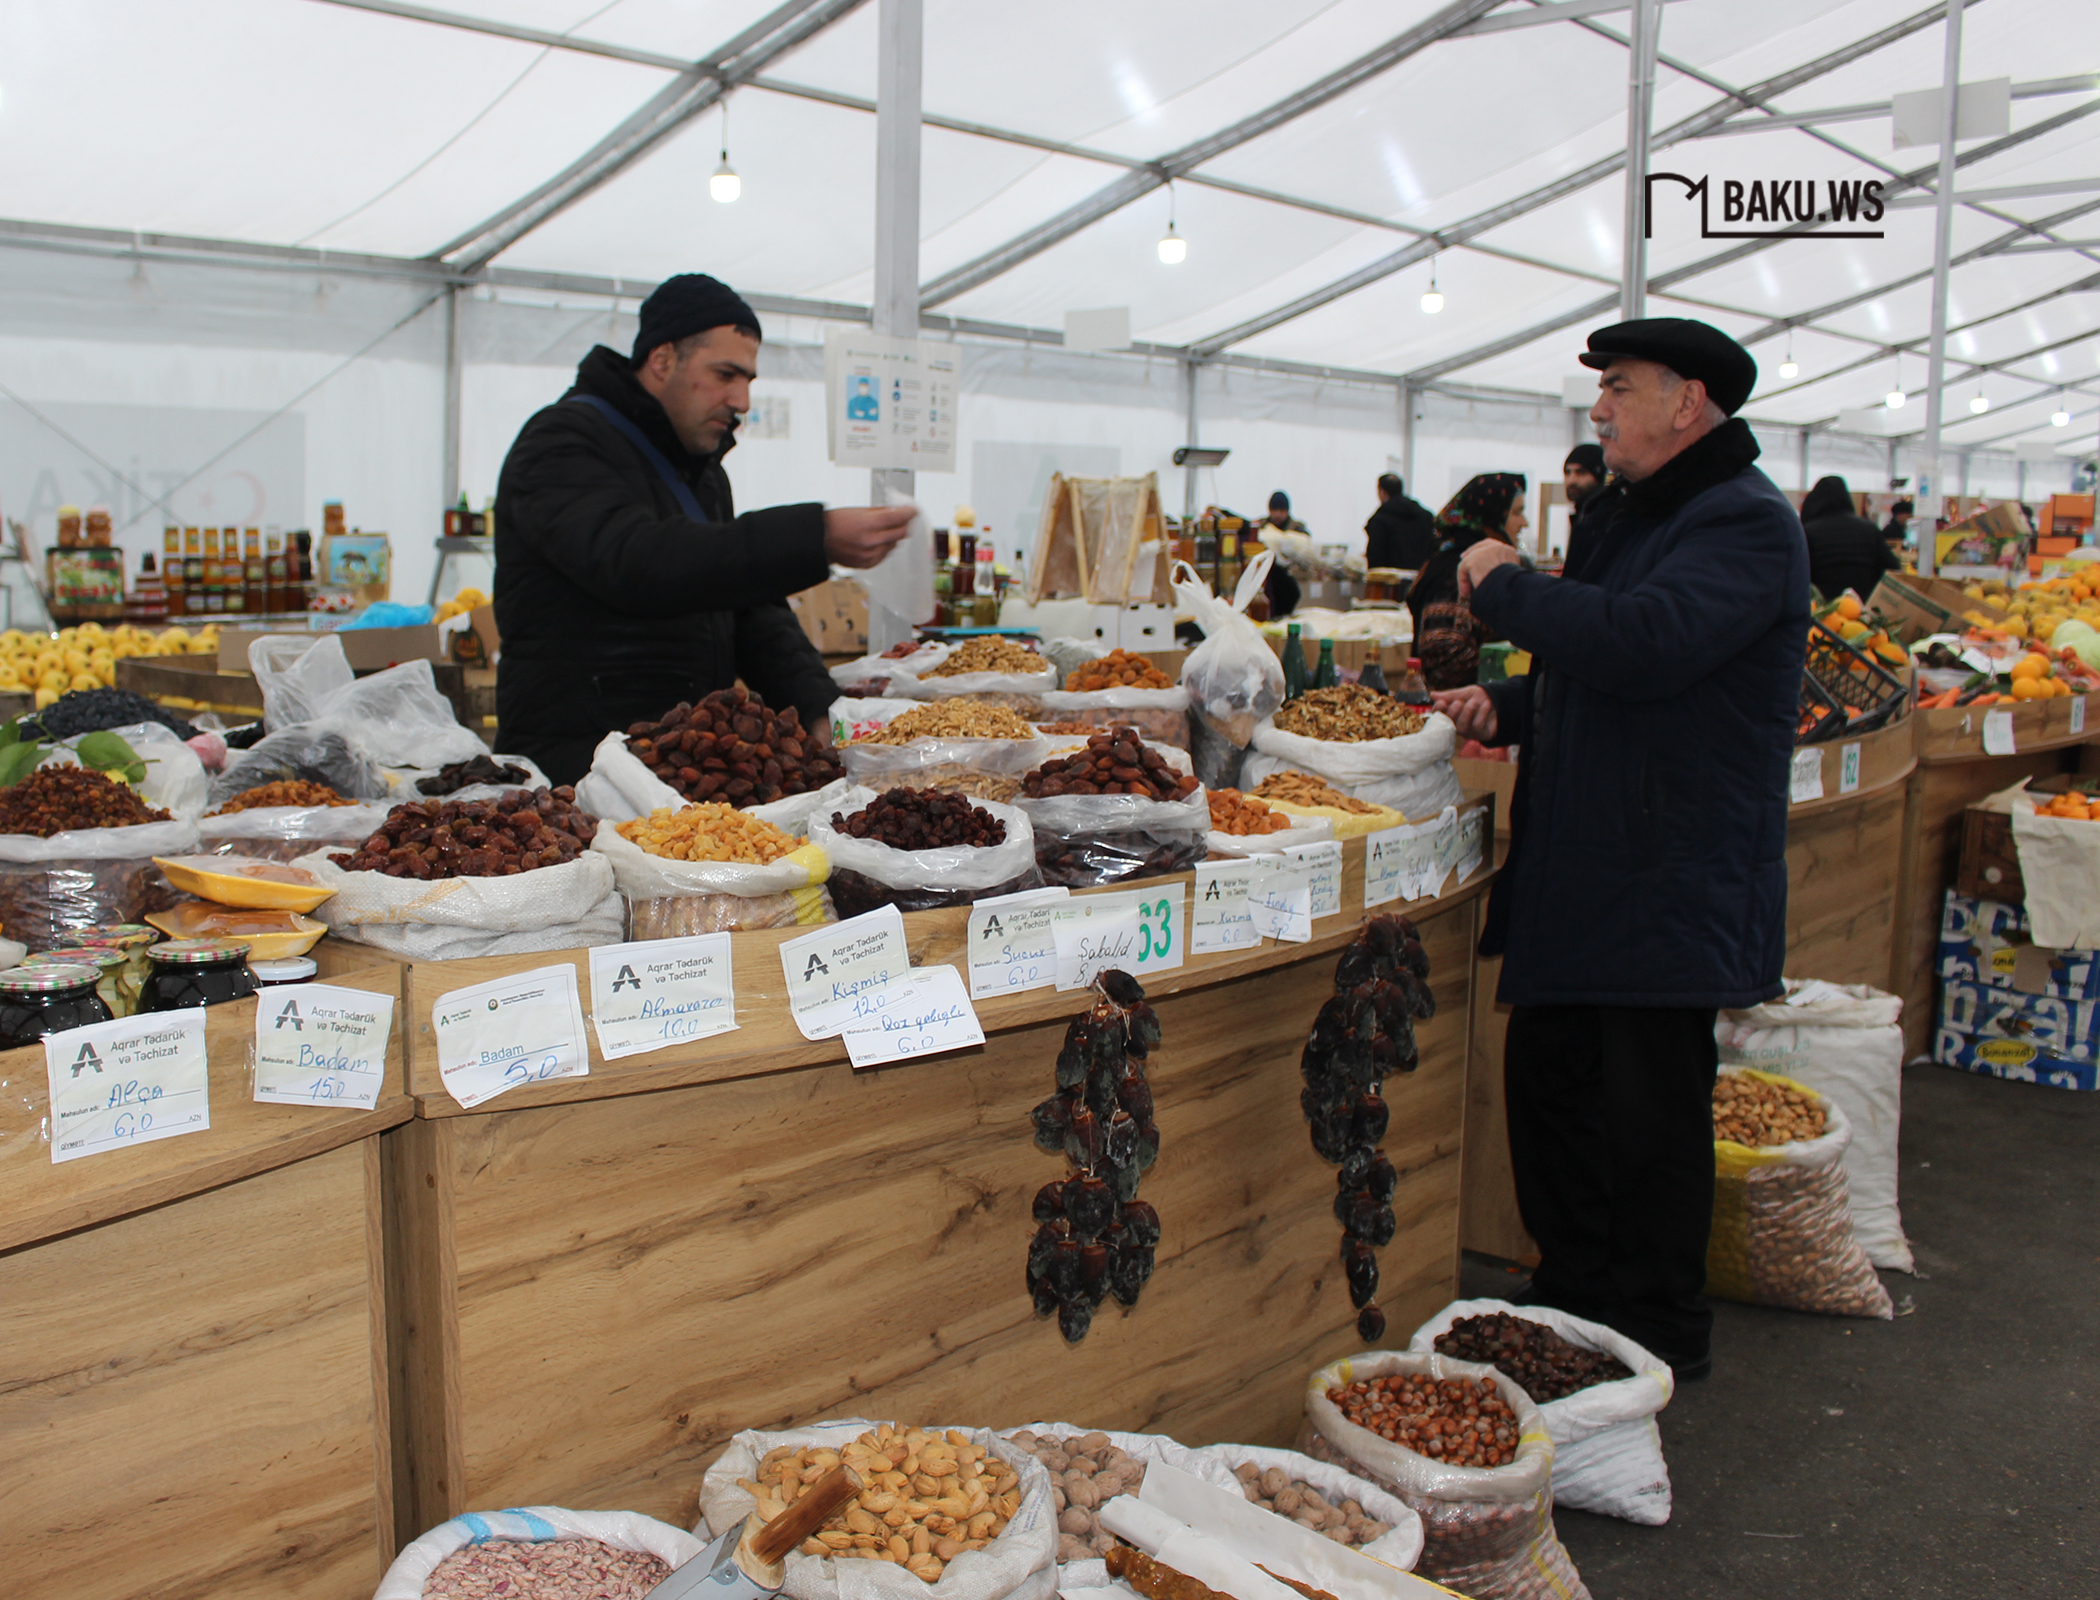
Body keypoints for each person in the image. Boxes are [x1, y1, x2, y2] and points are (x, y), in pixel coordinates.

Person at [1432, 317, 1808, 1381]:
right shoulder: (1637, 514)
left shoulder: (1743, 523)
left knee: (1647, 1110)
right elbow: (1601, 661)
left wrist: (1505, 584)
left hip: (1670, 869)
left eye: (1620, 388)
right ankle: (1575, 1294)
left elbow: (1646, 647)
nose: (1598, 408)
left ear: (1688, 402)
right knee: (1553, 1081)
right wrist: (1510, 706)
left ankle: (1655, 1324)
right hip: (1590, 858)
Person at [493, 274, 915, 784]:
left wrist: (818, 707)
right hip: (577, 767)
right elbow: (640, 562)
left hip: (674, 765)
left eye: (749, 381)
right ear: (662, 359)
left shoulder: (704, 475)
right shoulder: (561, 444)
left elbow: (749, 607)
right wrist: (814, 535)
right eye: (725, 374)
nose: (741, 401)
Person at [1404, 473, 1527, 689]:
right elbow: (1442, 656)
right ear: (1492, 516)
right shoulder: (1461, 570)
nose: (1524, 523)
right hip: (1457, 710)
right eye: (1517, 512)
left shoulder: (1462, 559)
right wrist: (1504, 670)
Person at [1800, 474, 1898, 603]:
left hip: (1823, 610)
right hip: (1861, 609)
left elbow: (1798, 574)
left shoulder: (1808, 531)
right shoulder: (1869, 529)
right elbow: (1892, 567)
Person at [1365, 473, 1439, 571]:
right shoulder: (1425, 516)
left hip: (1391, 580)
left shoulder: (1380, 519)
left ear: (1382, 492)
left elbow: (1376, 554)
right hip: (1419, 577)